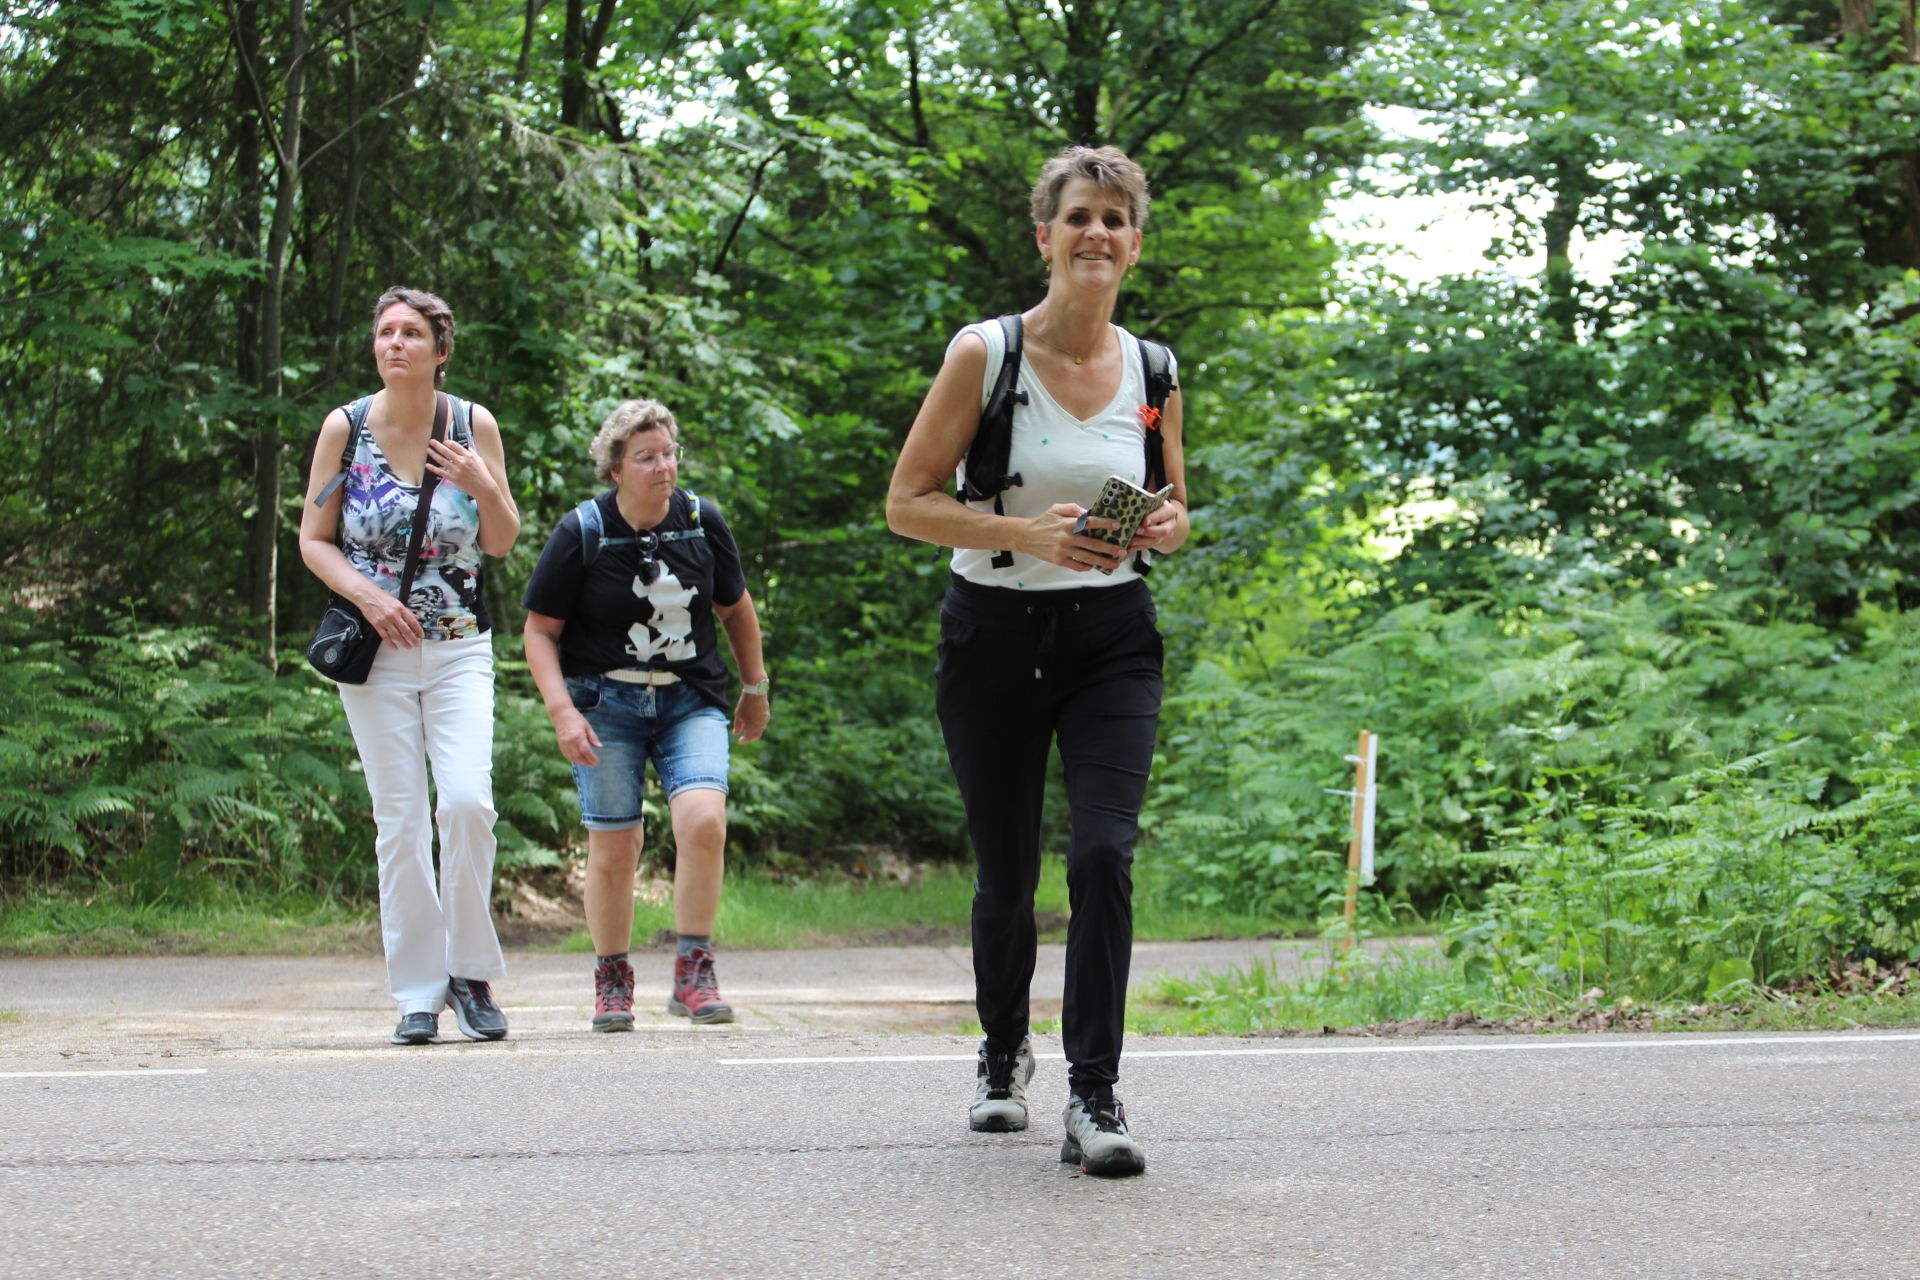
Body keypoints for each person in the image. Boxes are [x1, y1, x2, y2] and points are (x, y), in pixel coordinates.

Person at [885, 145, 1190, 1176]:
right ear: (1045, 238)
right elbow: (907, 503)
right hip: (995, 634)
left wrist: (1165, 526)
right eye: (1079, 217)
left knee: (1102, 854)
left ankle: (1094, 1091)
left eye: (1114, 219)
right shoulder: (987, 354)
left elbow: (1176, 502)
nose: (1096, 233)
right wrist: (1024, 534)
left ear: (1134, 245)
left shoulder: (1155, 370)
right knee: (1008, 871)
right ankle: (1003, 1048)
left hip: (1113, 639)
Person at [299, 286, 522, 1045]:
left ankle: (471, 974)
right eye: (385, 332)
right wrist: (367, 598)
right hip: (377, 654)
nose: (395, 343)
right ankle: (418, 994)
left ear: (440, 350)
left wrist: (483, 485)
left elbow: (501, 541)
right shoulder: (346, 428)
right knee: (399, 821)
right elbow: (314, 539)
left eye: (411, 333)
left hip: (459, 647)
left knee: (465, 805)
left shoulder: (470, 424)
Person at [520, 399, 770, 1033]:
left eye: (668, 454)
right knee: (614, 846)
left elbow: (736, 610)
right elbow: (540, 632)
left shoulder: (701, 521)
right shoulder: (581, 531)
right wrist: (562, 713)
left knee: (704, 820)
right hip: (606, 703)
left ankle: (693, 970)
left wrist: (755, 686)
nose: (663, 467)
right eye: (646, 458)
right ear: (615, 469)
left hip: (690, 698)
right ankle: (612, 978)